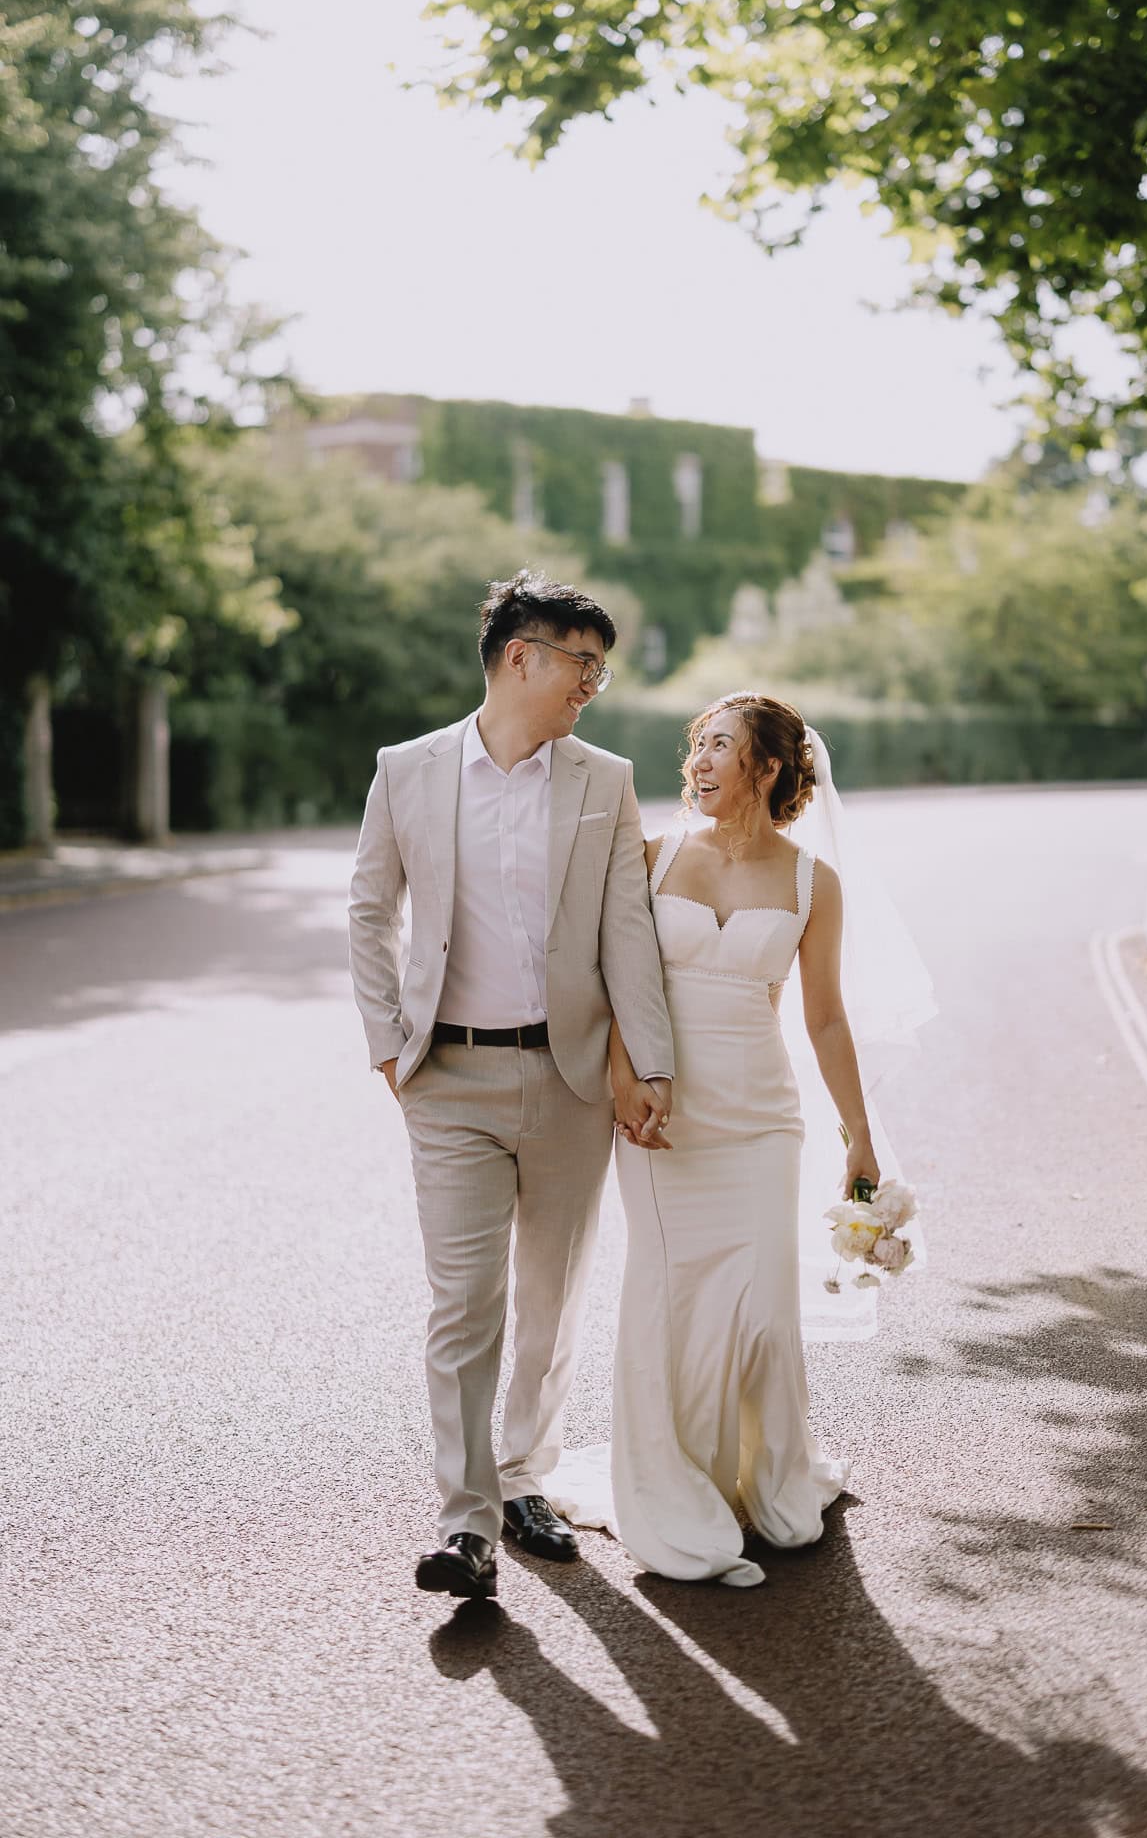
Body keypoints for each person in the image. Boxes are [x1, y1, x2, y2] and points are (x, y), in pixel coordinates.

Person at [348, 570, 674, 1602]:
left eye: (601, 667)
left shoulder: (604, 778)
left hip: (572, 1075)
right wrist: (385, 1040)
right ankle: (466, 1523)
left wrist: (647, 1059)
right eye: (582, 661)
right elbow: (369, 908)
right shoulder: (407, 770)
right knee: (463, 1303)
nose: (594, 683)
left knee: (548, 1299)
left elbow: (629, 923)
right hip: (446, 1077)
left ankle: (527, 1475)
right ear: (519, 655)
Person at [584, 693, 897, 1587]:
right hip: (662, 1119)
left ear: (767, 769)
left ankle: (760, 1481)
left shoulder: (810, 883)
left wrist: (859, 1135)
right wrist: (622, 1078)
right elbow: (614, 980)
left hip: (762, 1119)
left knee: (760, 1314)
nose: (700, 761)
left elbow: (826, 1019)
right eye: (698, 745)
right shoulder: (651, 857)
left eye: (722, 745)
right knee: (670, 1301)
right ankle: (672, 1499)